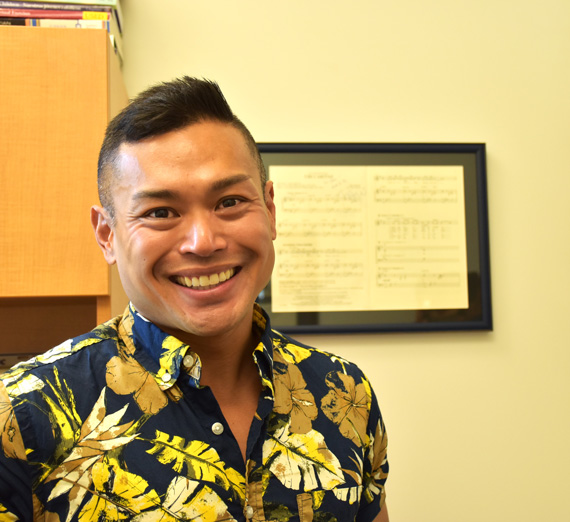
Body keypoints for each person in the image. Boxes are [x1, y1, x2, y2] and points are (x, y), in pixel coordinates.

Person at [0, 77, 389, 521]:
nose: (203, 242)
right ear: (107, 235)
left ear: (270, 209)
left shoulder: (343, 390)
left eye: (229, 202)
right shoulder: (22, 416)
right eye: (160, 213)